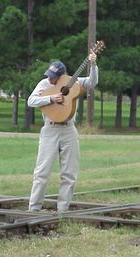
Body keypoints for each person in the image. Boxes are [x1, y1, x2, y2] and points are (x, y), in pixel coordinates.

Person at [27, 51, 98, 213]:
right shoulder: (44, 84)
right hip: (49, 130)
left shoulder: (73, 82)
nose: (50, 79)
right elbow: (31, 101)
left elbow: (92, 82)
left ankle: (62, 210)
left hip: (69, 130)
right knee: (42, 172)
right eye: (49, 75)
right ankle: (33, 208)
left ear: (62, 76)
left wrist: (93, 65)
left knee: (69, 173)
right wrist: (51, 98)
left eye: (53, 77)